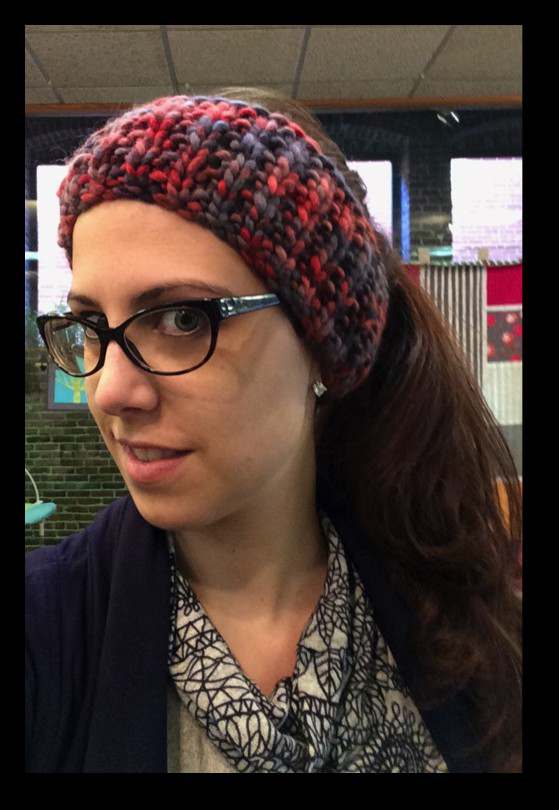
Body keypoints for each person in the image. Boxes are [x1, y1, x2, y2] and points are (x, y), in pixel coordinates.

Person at [26, 87, 522, 773]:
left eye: (183, 319)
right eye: (89, 325)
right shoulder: (45, 632)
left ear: (320, 344)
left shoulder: (464, 621)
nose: (110, 391)